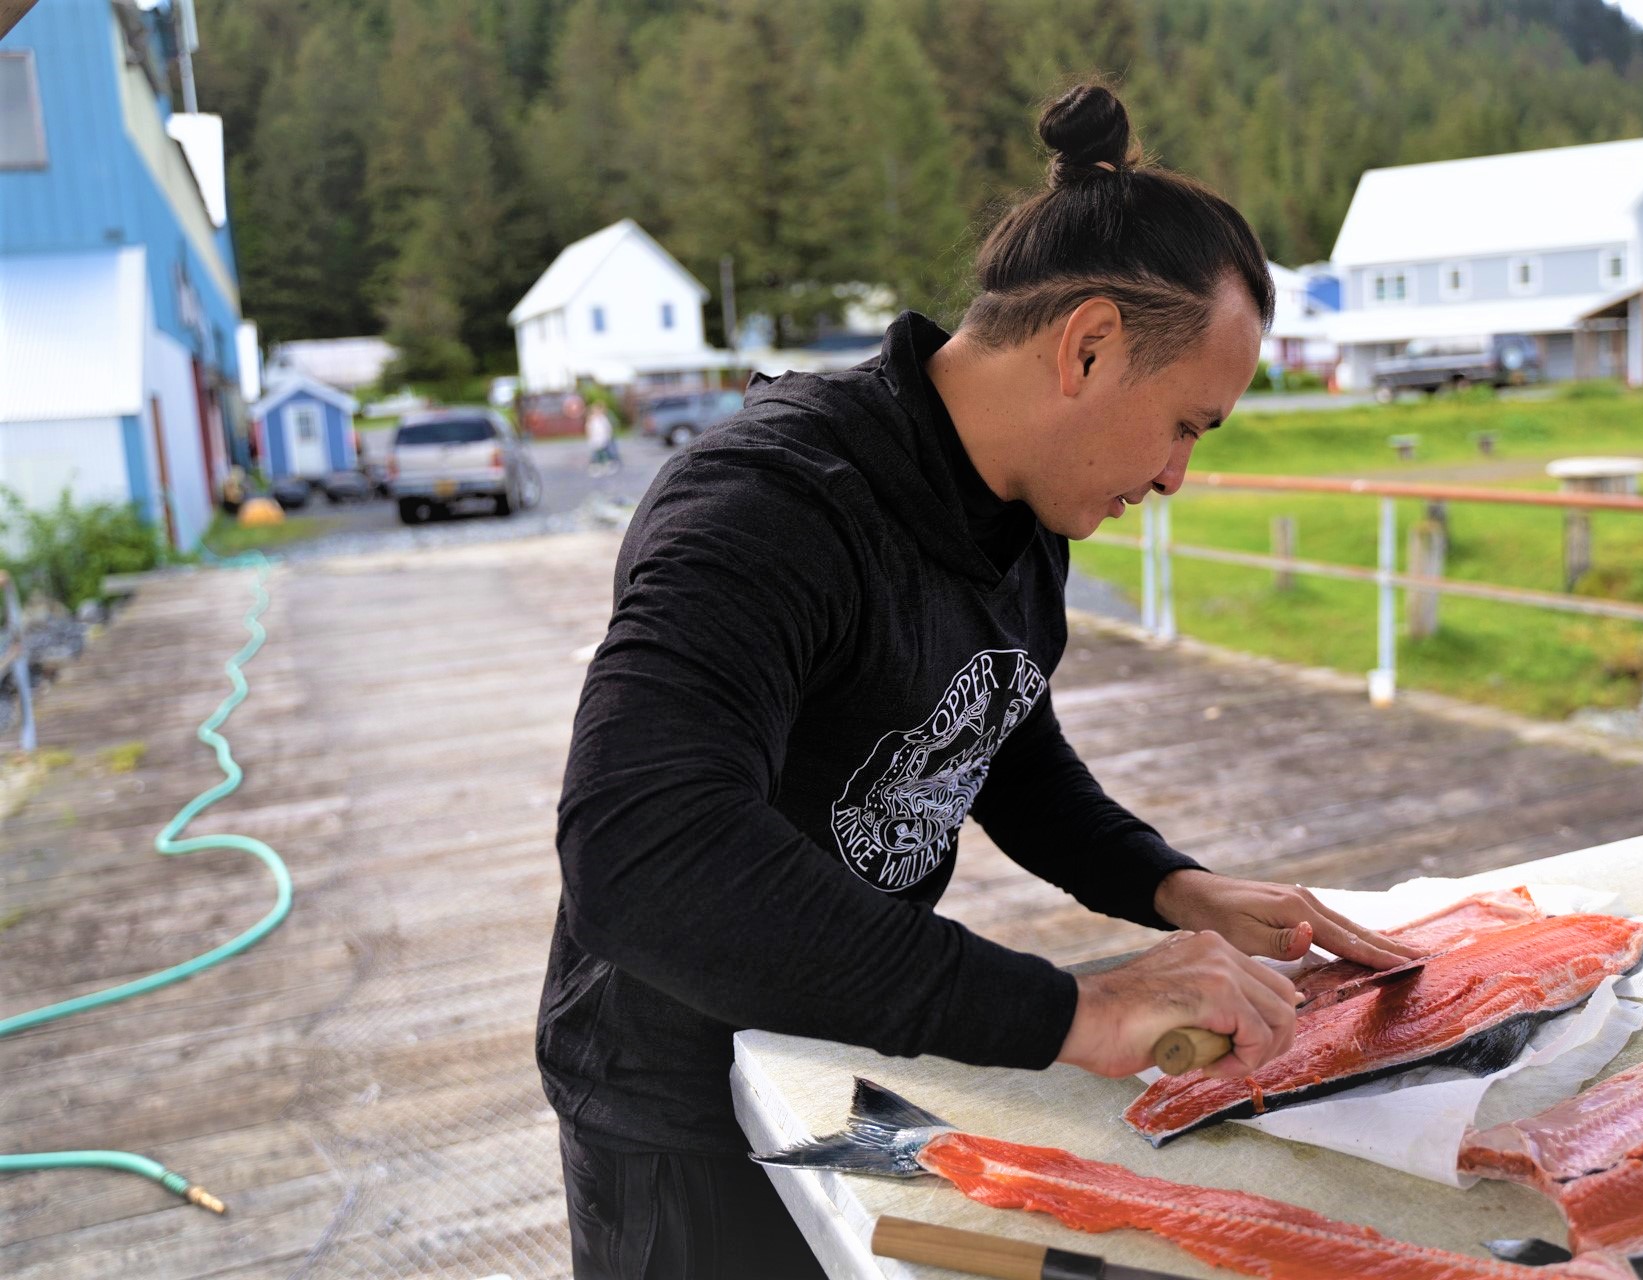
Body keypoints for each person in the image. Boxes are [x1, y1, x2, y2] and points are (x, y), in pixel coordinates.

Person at [537, 83, 1419, 1279]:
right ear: (1088, 346)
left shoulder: (1022, 511)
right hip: (680, 1103)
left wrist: (1174, 884)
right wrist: (1078, 1011)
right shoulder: (768, 505)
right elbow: (638, 858)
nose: (1176, 476)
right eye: (1186, 425)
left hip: (858, 1046)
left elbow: (998, 739)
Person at [585, 401, 619, 475]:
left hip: (604, 439)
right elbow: (589, 429)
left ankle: (607, 465)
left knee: (605, 453)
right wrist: (591, 438)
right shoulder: (592, 420)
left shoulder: (603, 419)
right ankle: (595, 467)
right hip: (595, 440)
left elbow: (608, 428)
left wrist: (608, 436)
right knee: (596, 454)